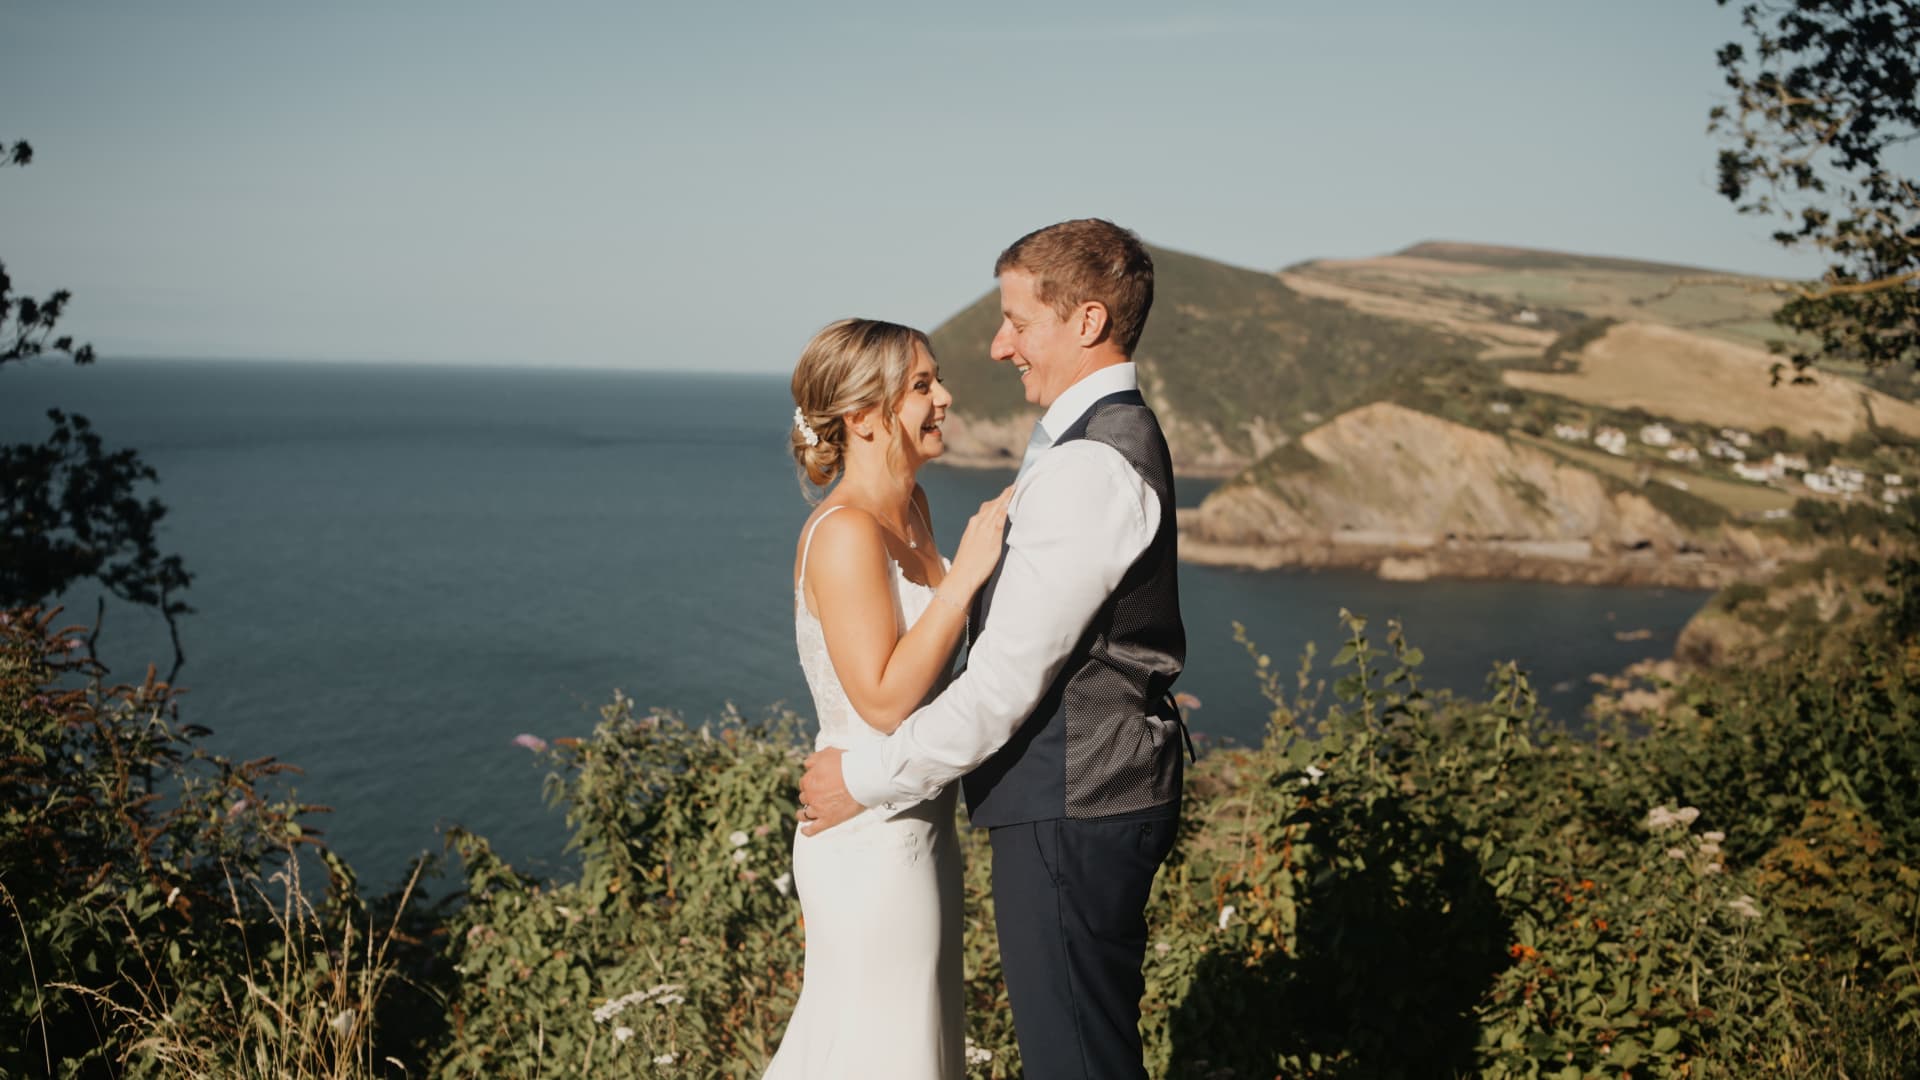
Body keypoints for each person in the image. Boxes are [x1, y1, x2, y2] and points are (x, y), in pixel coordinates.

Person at [798, 219, 1187, 1080]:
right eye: (924, 386)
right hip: (1038, 804)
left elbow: (1006, 679)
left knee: (1074, 1059)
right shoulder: (1088, 447)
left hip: (1071, 801)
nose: (997, 342)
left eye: (1017, 319)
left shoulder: (1088, 464)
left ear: (1086, 322)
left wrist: (864, 780)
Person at [763, 318, 1012, 1080]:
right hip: (866, 840)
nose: (945, 396)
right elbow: (879, 700)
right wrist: (967, 576)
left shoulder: (918, 511)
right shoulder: (844, 533)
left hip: (922, 821)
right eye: (922, 386)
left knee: (911, 1044)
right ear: (864, 417)